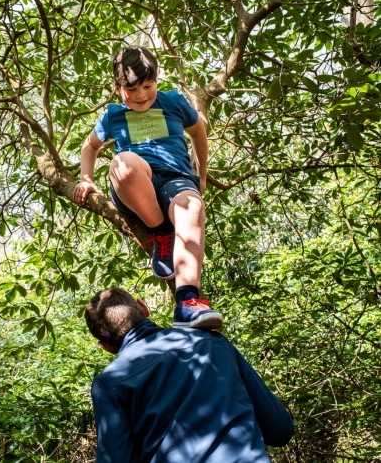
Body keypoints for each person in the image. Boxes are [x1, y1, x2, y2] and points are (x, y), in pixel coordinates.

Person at [73, 46, 220, 329]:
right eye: (132, 89)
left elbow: (198, 131)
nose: (141, 95)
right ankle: (162, 232)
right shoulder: (113, 116)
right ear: (118, 89)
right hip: (137, 185)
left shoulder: (174, 102)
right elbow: (89, 146)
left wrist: (201, 174)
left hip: (176, 178)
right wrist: (86, 180)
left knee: (192, 205)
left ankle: (188, 303)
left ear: (157, 81)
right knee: (123, 162)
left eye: (148, 86)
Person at [85, 288, 294, 462]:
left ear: (105, 346)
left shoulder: (109, 382)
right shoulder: (212, 341)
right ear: (143, 307)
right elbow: (280, 430)